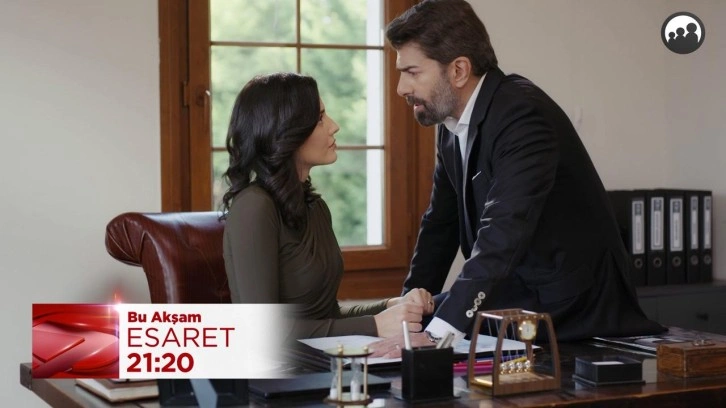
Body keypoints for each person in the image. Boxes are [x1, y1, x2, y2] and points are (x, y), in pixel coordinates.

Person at [371, 0, 663, 356]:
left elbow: (502, 233)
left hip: (571, 304)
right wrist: (409, 314)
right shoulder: (450, 124)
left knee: (443, 327)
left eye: (412, 72)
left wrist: (435, 338)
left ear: (459, 70)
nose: (401, 87)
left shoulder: (522, 115)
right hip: (518, 293)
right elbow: (440, 226)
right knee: (422, 324)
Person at [221, 72, 434, 342]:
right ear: (286, 130)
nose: (334, 126)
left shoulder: (314, 206)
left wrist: (391, 307)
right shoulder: (254, 207)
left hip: (324, 358)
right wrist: (374, 325)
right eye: (320, 118)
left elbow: (327, 317)